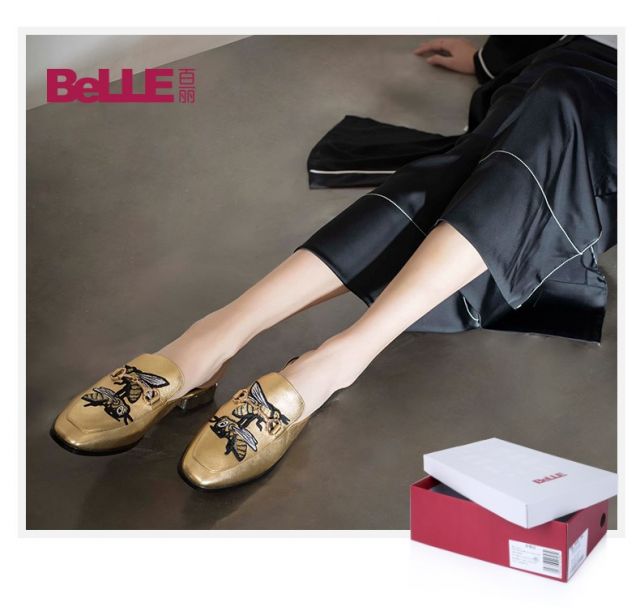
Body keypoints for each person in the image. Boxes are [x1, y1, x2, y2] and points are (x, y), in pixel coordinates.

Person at [50, 35, 617, 490]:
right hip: (569, 61)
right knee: (513, 131)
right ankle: (219, 333)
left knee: (544, 123)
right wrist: (494, 59)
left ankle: (337, 357)